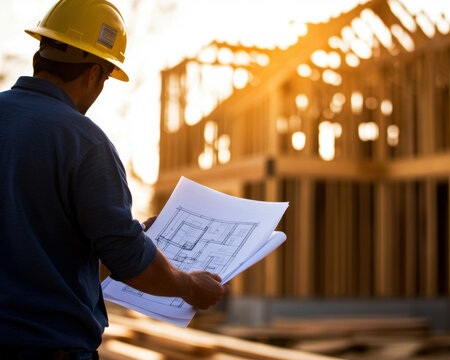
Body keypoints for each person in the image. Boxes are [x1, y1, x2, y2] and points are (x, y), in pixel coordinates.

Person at [0, 0, 230, 359]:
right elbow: (128, 260)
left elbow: (37, 240)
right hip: (47, 347)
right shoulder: (84, 142)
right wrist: (188, 286)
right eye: (105, 78)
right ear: (93, 73)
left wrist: (129, 236)